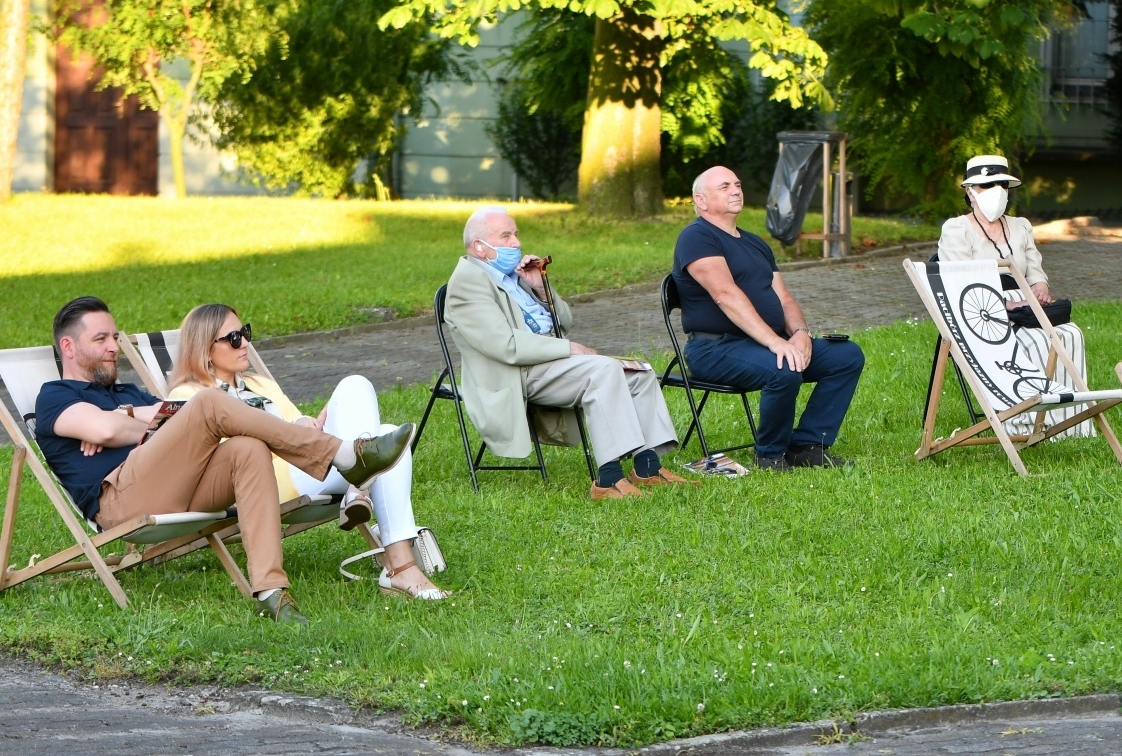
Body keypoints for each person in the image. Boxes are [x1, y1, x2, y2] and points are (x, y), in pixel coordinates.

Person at [32, 296, 413, 623]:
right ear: (68, 346)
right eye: (100, 339)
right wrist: (132, 422)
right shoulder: (54, 396)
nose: (113, 347)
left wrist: (126, 415)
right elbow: (106, 432)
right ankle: (342, 454)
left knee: (247, 448)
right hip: (119, 499)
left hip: (175, 487)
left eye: (114, 337)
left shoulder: (125, 390)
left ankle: (271, 591)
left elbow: (170, 421)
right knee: (211, 402)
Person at [166, 304, 448, 601]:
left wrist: (304, 422)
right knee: (378, 437)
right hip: (264, 480)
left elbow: (296, 427)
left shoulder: (260, 384)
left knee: (359, 391)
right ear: (205, 349)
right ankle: (399, 565)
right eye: (234, 338)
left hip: (311, 465)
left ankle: (361, 492)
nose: (246, 343)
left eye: (245, 332)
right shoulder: (189, 396)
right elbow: (219, 460)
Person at [445, 206, 687, 500]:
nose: (516, 242)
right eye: (505, 236)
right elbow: (504, 346)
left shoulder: (513, 276)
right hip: (514, 373)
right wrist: (568, 348)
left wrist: (542, 289)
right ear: (479, 247)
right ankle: (607, 481)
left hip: (548, 361)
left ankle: (647, 468)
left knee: (639, 372)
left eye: (516, 234)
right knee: (604, 371)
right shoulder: (467, 283)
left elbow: (564, 322)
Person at [672, 165, 865, 471]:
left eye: (737, 184)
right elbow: (725, 295)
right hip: (715, 348)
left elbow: (784, 298)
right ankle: (771, 455)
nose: (736, 190)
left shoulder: (754, 242)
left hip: (762, 344)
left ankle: (808, 445)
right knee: (783, 367)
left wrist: (800, 333)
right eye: (724, 187)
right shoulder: (697, 238)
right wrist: (776, 343)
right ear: (702, 200)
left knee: (845, 356)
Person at [938, 153, 1092, 439]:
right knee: (1033, 342)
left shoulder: (1020, 226)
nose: (997, 191)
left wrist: (1039, 287)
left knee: (1070, 335)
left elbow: (1034, 268)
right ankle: (1026, 423)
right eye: (988, 185)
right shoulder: (957, 229)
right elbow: (961, 282)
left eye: (1002, 184)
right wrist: (1005, 303)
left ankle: (1069, 425)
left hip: (1026, 304)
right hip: (979, 306)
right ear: (970, 192)